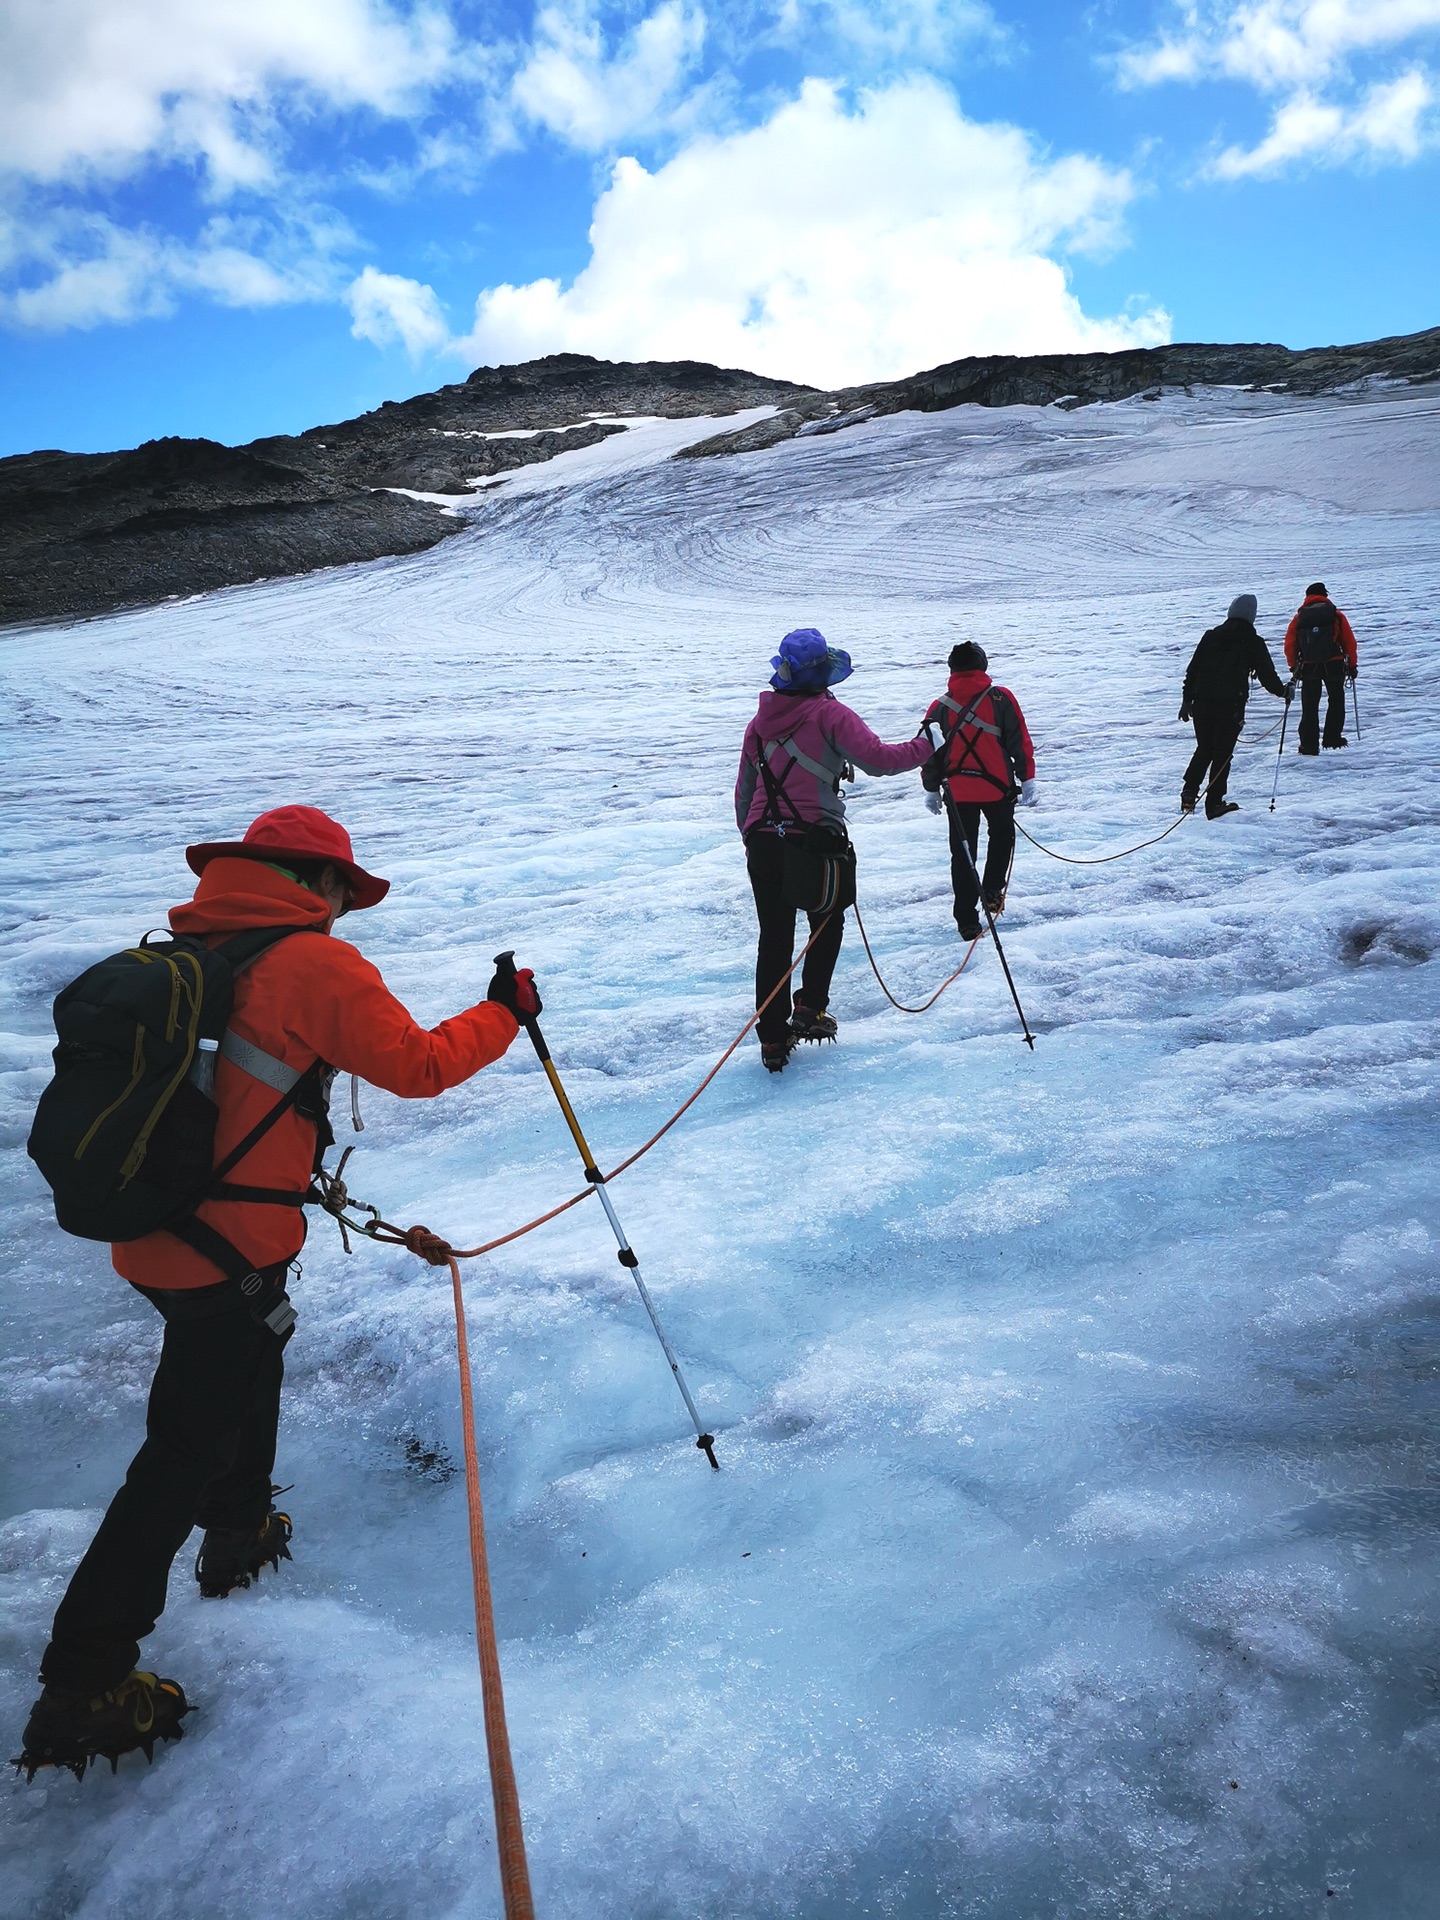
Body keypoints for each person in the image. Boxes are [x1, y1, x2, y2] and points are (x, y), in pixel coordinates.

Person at [19, 805, 540, 1781]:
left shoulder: (193, 948)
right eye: (342, 890)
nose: (345, 911)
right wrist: (506, 1012)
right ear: (316, 880)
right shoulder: (312, 962)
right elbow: (419, 1067)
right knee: (182, 1444)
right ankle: (83, 1681)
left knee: (251, 1359)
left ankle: (241, 1526)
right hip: (230, 1244)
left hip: (158, 1236)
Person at [735, 629, 931, 1072]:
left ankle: (772, 1038)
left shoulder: (757, 724)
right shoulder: (830, 714)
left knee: (775, 938)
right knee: (827, 920)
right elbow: (879, 760)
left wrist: (752, 836)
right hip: (814, 840)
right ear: (823, 671)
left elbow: (744, 791)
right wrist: (928, 746)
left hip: (764, 842)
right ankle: (809, 1009)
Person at [919, 642, 1036, 943]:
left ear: (952, 668)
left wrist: (931, 789)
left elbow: (930, 751)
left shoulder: (939, 706)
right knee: (1001, 837)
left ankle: (967, 921)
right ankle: (993, 891)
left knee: (963, 854)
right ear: (982, 665)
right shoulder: (1001, 698)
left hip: (958, 793)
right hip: (998, 788)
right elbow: (1018, 740)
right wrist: (1028, 778)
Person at [1179, 594, 1290, 818]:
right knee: (1222, 753)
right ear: (1252, 616)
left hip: (1201, 703)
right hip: (1230, 705)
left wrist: (1186, 700)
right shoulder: (1252, 641)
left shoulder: (1210, 636)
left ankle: (1189, 791)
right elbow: (1267, 676)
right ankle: (1214, 803)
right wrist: (1284, 692)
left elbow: (1193, 670)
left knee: (1205, 747)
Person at [1283, 582, 1358, 754]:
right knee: (1336, 700)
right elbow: (1349, 642)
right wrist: (1352, 665)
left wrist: (1294, 665)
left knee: (1309, 705)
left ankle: (1309, 745)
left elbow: (1290, 644)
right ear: (1325, 595)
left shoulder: (1300, 617)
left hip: (1309, 666)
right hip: (1334, 663)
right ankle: (1332, 739)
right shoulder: (1335, 614)